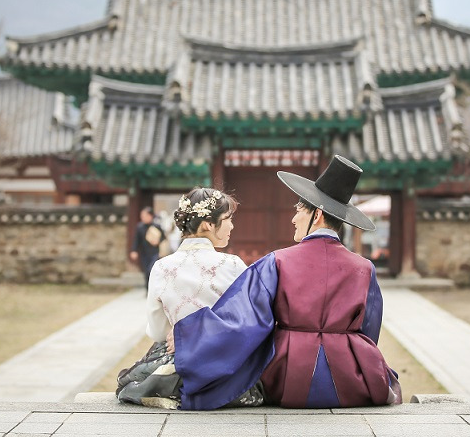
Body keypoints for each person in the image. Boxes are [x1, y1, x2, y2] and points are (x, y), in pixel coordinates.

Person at [172, 155, 402, 410]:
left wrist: (190, 335)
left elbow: (242, 322)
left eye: (298, 211)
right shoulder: (365, 268)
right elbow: (369, 331)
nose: (293, 219)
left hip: (290, 378)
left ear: (317, 215)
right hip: (353, 380)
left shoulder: (276, 262)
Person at [116, 187, 264, 409]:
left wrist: (182, 331)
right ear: (207, 224)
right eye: (227, 219)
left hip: (179, 370)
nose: (232, 225)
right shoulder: (233, 266)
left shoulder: (161, 267)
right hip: (226, 371)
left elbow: (157, 332)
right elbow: (250, 324)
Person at [128, 207, 165, 290]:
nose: (143, 217)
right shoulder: (139, 227)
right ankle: (148, 289)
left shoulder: (157, 226)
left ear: (150, 216)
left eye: (145, 215)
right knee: (146, 272)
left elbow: (163, 238)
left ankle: (155, 289)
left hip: (155, 252)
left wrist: (158, 241)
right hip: (144, 253)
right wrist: (134, 250)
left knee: (151, 270)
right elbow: (136, 240)